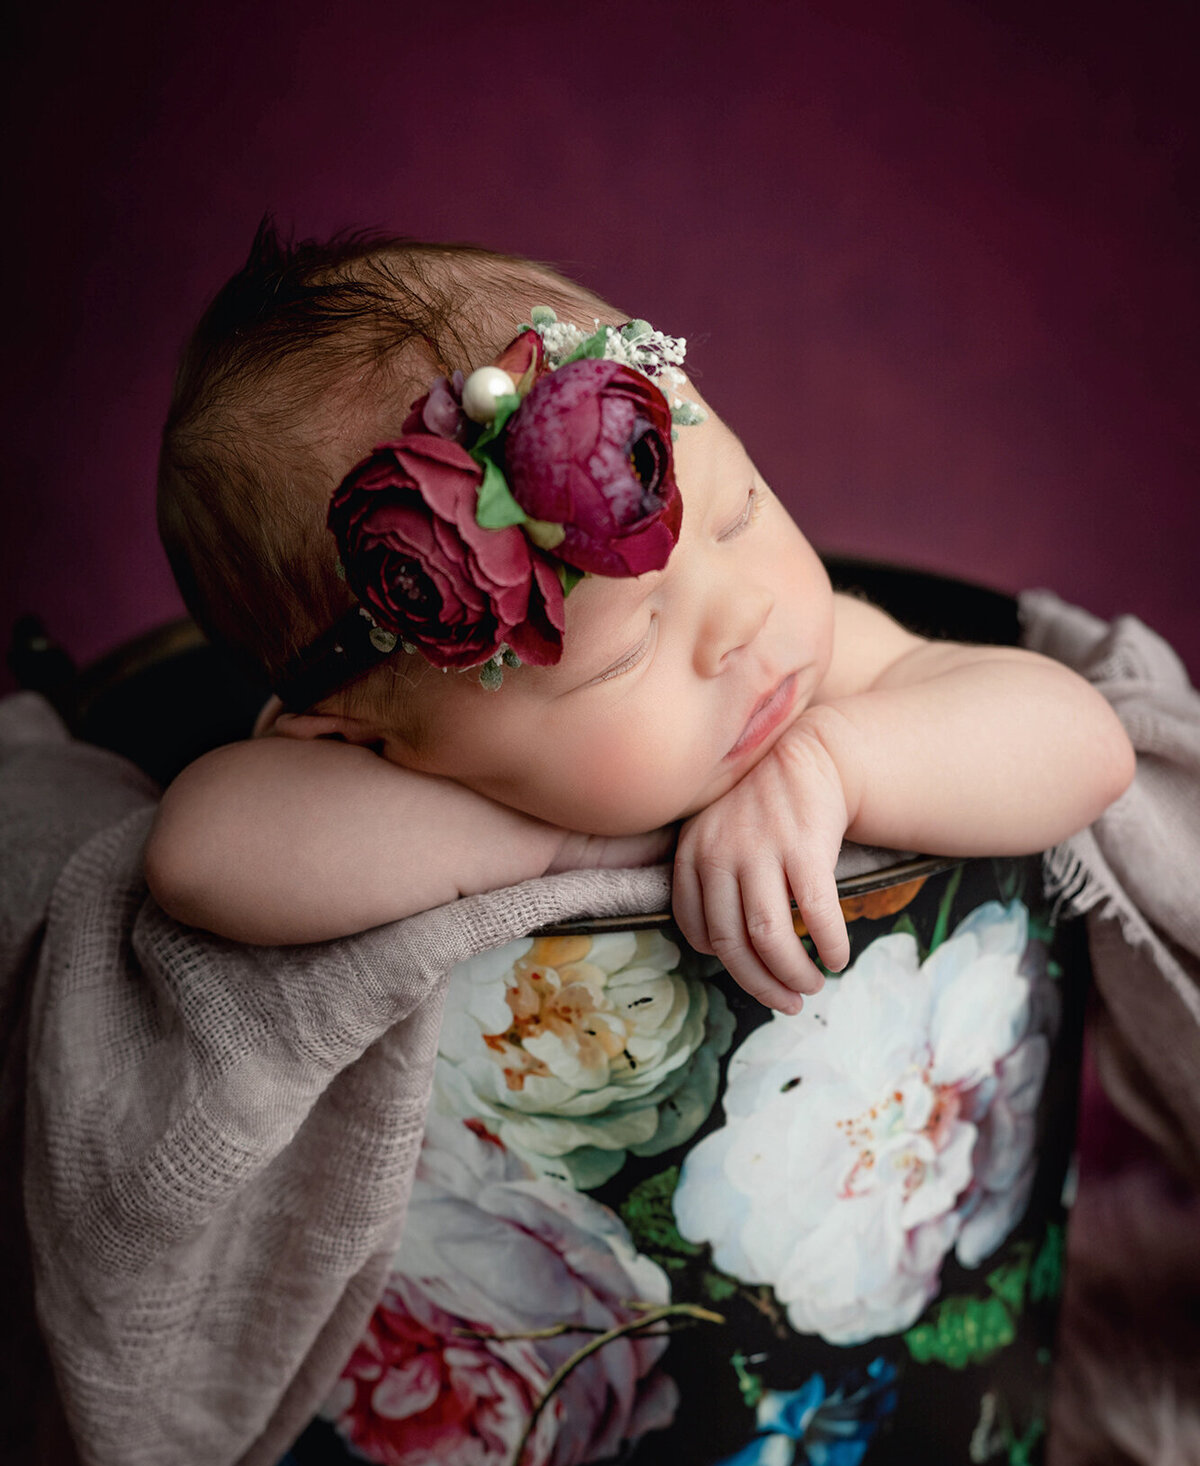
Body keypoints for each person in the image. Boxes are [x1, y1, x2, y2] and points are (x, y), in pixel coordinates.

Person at [147, 225, 1134, 1010]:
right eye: (627, 652)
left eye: (741, 513)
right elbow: (194, 858)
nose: (738, 619)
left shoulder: (816, 676)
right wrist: (542, 848)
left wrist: (834, 764)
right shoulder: (375, 773)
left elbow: (1085, 741)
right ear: (362, 731)